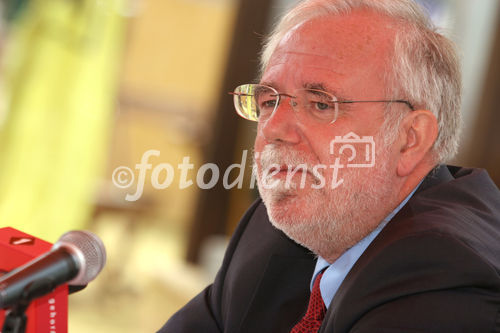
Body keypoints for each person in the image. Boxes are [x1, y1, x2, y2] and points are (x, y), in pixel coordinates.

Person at [158, 0, 500, 332]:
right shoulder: (269, 233)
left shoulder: (445, 274)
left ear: (410, 138)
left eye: (321, 104)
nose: (274, 128)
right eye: (268, 101)